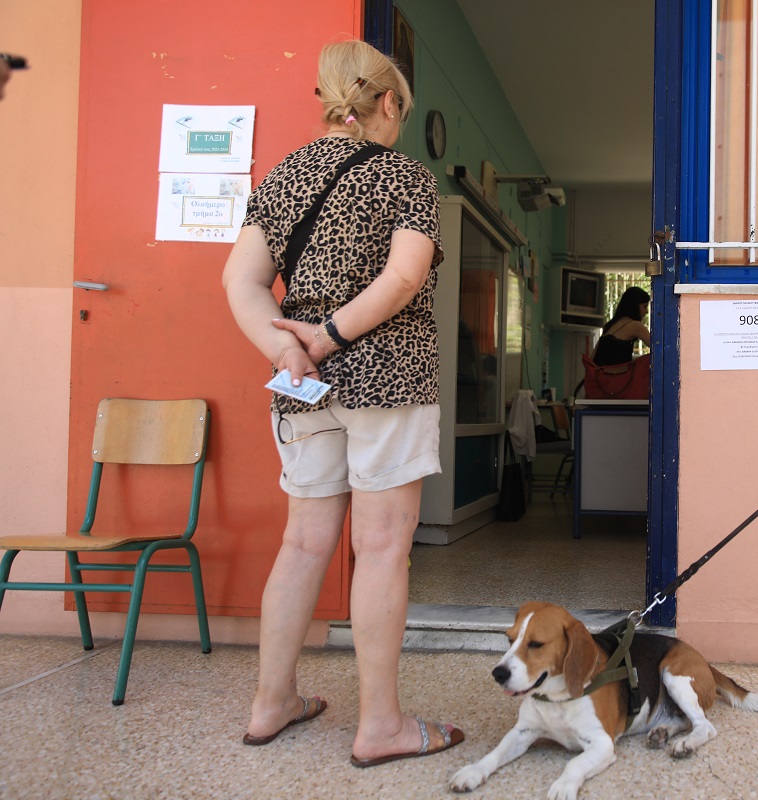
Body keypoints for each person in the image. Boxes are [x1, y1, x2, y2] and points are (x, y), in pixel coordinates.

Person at [222, 39, 463, 766]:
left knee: (302, 544)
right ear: (387, 101)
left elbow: (240, 281)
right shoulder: (404, 175)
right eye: (402, 110)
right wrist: (328, 337)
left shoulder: (287, 175)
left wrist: (288, 352)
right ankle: (381, 725)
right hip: (388, 378)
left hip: (302, 386)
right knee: (382, 547)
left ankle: (271, 703)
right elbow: (404, 278)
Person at [591, 286, 651, 366]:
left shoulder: (612, 323)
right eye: (644, 307)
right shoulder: (635, 325)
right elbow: (658, 346)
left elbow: (592, 357)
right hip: (616, 373)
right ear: (635, 306)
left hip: (598, 372)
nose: (647, 311)